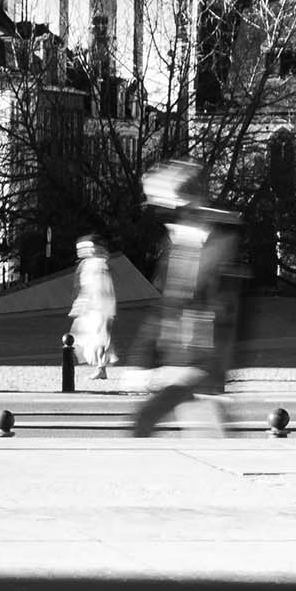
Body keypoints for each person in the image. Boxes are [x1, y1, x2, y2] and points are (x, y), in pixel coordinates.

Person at [128, 161, 249, 438]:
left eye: (164, 205)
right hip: (183, 363)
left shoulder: (217, 244)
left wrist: (214, 372)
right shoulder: (181, 242)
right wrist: (144, 359)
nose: (162, 215)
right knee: (204, 439)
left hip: (198, 365)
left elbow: (227, 315)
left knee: (148, 426)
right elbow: (165, 306)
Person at [71, 236, 117, 380]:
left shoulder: (98, 265)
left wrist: (106, 309)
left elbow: (101, 288)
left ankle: (100, 368)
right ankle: (99, 366)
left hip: (99, 307)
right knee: (84, 337)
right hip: (92, 307)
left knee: (98, 339)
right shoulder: (88, 264)